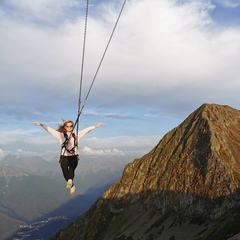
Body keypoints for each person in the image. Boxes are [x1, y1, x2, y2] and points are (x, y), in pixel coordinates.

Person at [33, 120, 102, 195]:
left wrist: (95, 126)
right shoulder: (61, 135)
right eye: (67, 126)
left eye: (71, 126)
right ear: (64, 127)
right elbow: (50, 130)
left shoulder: (76, 135)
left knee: (71, 169)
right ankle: (72, 185)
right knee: (65, 172)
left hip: (74, 156)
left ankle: (70, 181)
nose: (69, 127)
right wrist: (41, 125)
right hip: (64, 156)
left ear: (73, 127)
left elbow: (86, 130)